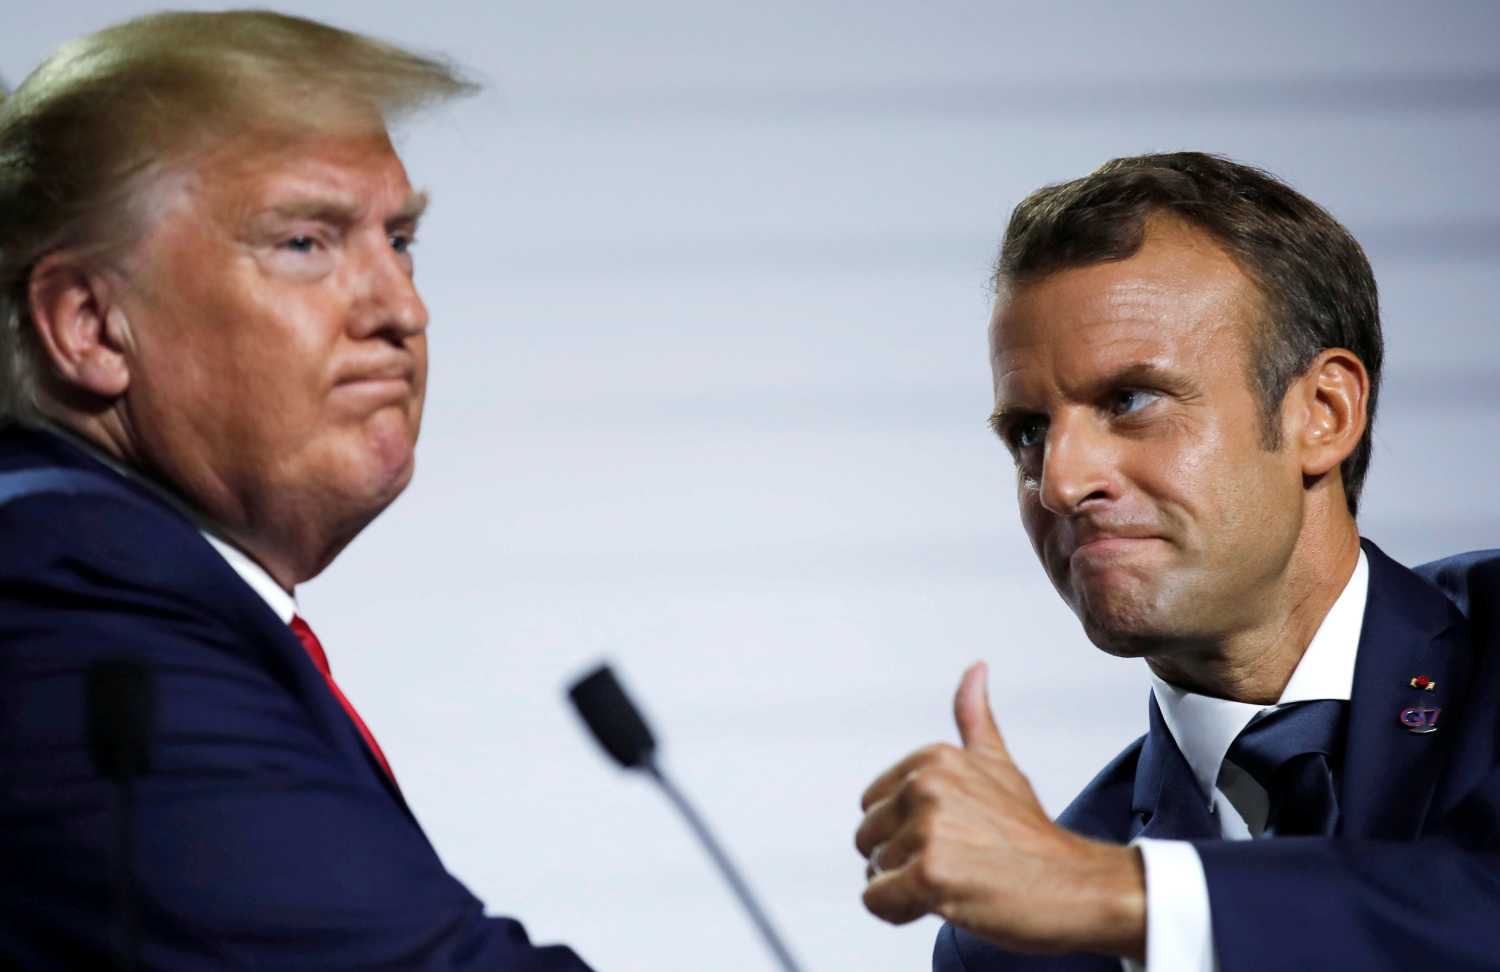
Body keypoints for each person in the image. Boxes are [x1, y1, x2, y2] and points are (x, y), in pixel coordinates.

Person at [0, 12, 592, 969]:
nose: (403, 308)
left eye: (399, 238)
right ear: (91, 325)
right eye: (307, 242)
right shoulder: (69, 602)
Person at [853, 152, 1500, 971]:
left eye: (1130, 400)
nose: (1061, 482)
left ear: (1324, 413)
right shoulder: (1014, 950)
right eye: (1029, 432)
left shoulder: (1082, 896)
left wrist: (1124, 901)